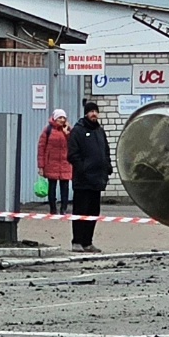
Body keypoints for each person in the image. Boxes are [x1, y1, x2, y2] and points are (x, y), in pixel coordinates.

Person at [66, 101, 112, 252]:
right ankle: (77, 242)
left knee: (93, 212)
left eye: (96, 111)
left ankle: (88, 242)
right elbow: (73, 155)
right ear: (86, 113)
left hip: (97, 180)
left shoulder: (99, 131)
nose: (94, 114)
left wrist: (107, 166)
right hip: (83, 180)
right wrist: (82, 169)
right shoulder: (78, 131)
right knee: (81, 211)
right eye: (91, 111)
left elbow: (105, 150)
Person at [36, 109, 74, 215]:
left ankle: (64, 209)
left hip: (65, 164)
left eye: (63, 118)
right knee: (52, 188)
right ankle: (53, 209)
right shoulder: (48, 130)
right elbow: (41, 148)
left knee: (65, 188)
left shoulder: (68, 130)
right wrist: (41, 166)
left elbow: (74, 144)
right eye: (59, 118)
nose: (62, 120)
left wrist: (68, 133)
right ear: (54, 118)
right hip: (51, 164)